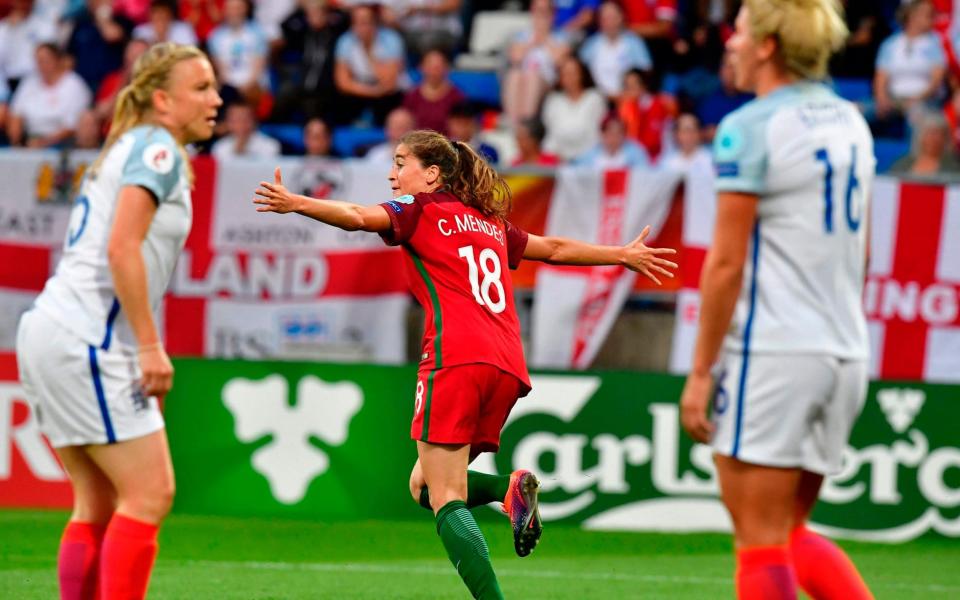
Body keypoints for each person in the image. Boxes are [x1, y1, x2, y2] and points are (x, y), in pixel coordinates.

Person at [253, 129, 678, 600]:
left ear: (432, 174)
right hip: (507, 364)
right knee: (423, 485)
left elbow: (355, 215)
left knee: (445, 497)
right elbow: (553, 249)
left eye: (401, 163)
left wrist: (298, 203)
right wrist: (619, 254)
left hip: (455, 357)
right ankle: (508, 487)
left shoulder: (417, 210)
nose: (392, 174)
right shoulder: (488, 222)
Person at [678, 2, 876, 600]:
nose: (730, 43)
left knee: (760, 541)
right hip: (844, 351)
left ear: (767, 46)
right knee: (788, 531)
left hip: (775, 354)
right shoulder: (850, 120)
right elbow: (860, 253)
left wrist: (699, 372)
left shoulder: (752, 127)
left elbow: (727, 263)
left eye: (739, 31)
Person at [15, 42, 222, 600]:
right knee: (150, 494)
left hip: (53, 328)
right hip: (87, 337)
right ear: (162, 98)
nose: (216, 99)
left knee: (98, 502)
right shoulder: (156, 149)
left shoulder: (131, 145)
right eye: (201, 88)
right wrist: (149, 349)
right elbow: (122, 249)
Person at [7, 44, 92, 148]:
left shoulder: (75, 85)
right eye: (38, 61)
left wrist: (43, 143)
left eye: (45, 60)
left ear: (58, 60)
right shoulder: (29, 83)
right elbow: (16, 114)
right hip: (30, 140)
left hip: (62, 144)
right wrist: (16, 143)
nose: (41, 65)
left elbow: (71, 127)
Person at [541, 55, 606, 162]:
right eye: (565, 74)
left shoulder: (595, 98)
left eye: (573, 73)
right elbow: (551, 132)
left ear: (582, 75)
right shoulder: (552, 100)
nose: (569, 78)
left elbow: (597, 133)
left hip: (590, 158)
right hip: (558, 157)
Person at [402, 48, 465, 135]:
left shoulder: (457, 96)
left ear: (446, 68)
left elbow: (462, 129)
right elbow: (405, 126)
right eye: (430, 67)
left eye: (438, 67)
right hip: (417, 145)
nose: (434, 72)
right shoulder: (412, 96)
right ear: (421, 67)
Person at [889, 109, 960, 175]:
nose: (935, 139)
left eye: (940, 134)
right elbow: (889, 182)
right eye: (931, 133)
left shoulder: (953, 168)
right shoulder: (904, 164)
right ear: (920, 136)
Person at [573, 111, 651, 169]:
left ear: (624, 135)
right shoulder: (589, 155)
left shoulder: (637, 153)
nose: (614, 138)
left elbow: (643, 176)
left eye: (619, 133)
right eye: (610, 133)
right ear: (602, 134)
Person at [211, 101, 281, 159]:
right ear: (228, 123)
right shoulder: (220, 147)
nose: (241, 124)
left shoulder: (270, 145)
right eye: (236, 120)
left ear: (254, 121)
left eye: (245, 119)